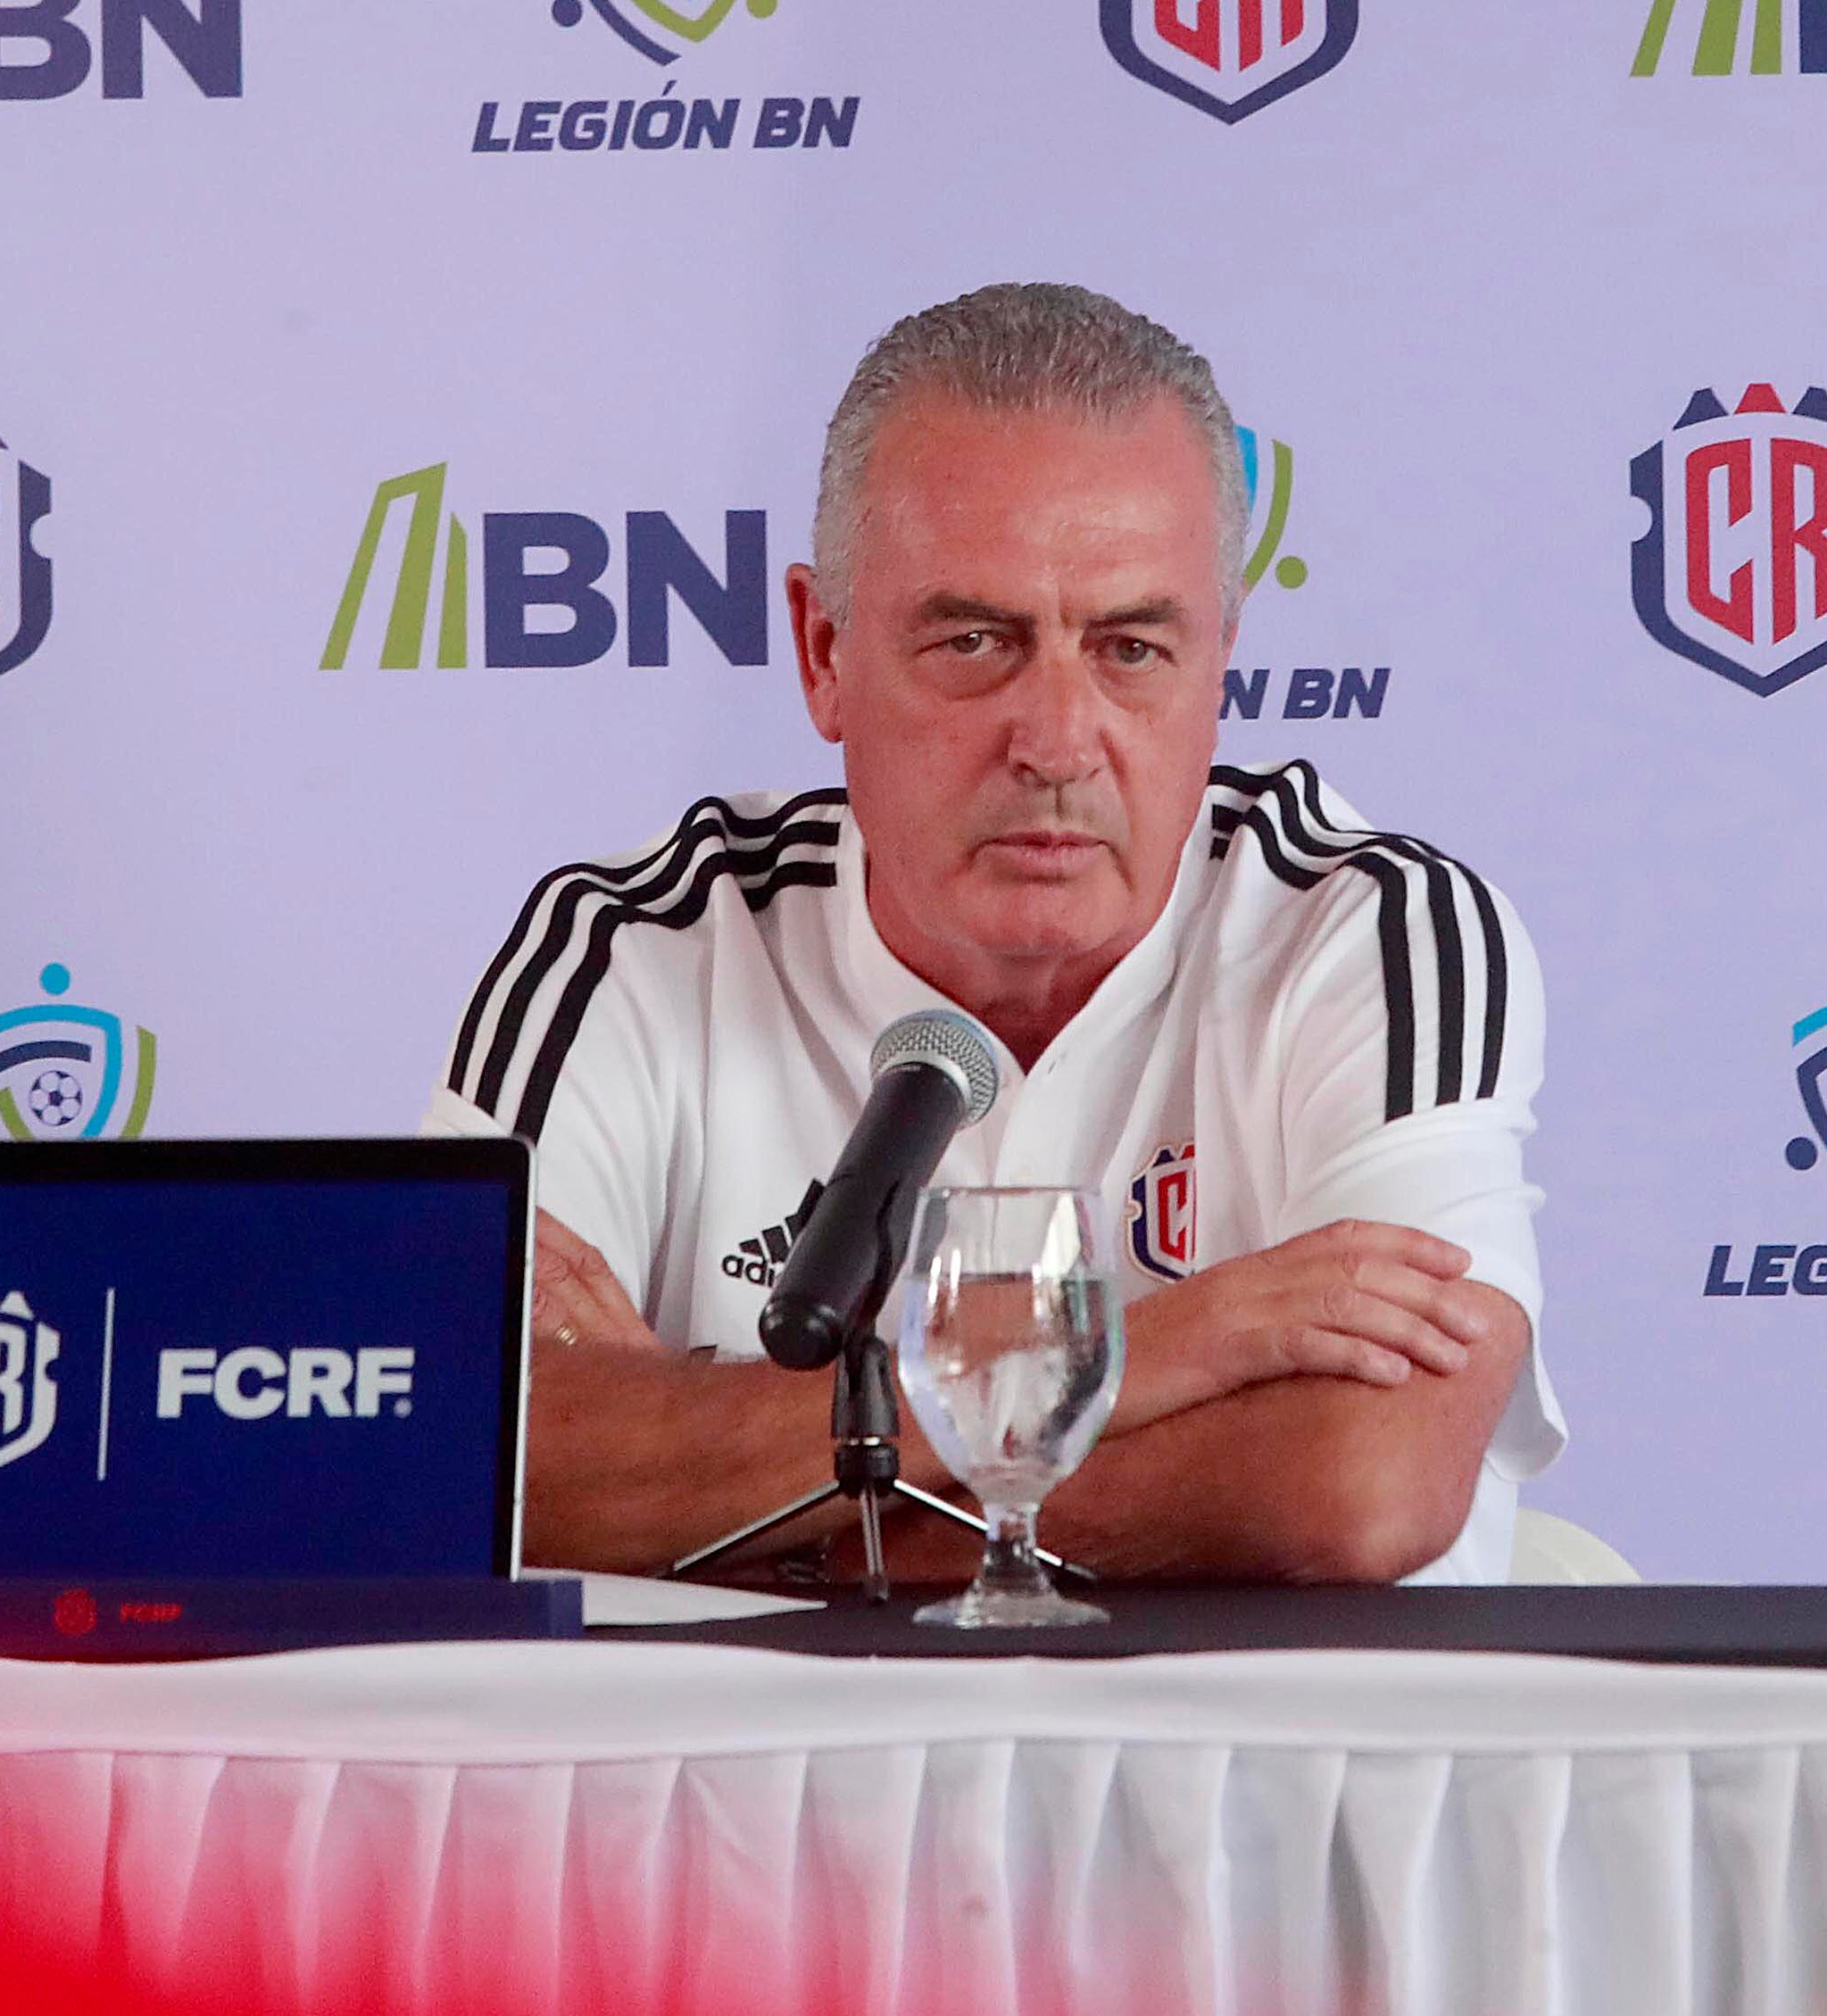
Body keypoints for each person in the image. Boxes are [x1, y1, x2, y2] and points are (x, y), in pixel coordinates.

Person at [426, 282, 1557, 1583]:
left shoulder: (1376, 935)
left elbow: (1357, 1492)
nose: (1060, 744)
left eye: (1132, 649)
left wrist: (717, 1493)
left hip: (1254, 1787)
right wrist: (1161, 1348)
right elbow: (461, 1462)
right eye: (974, 641)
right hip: (776, 1792)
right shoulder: (631, 945)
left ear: (1223, 662)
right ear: (822, 651)